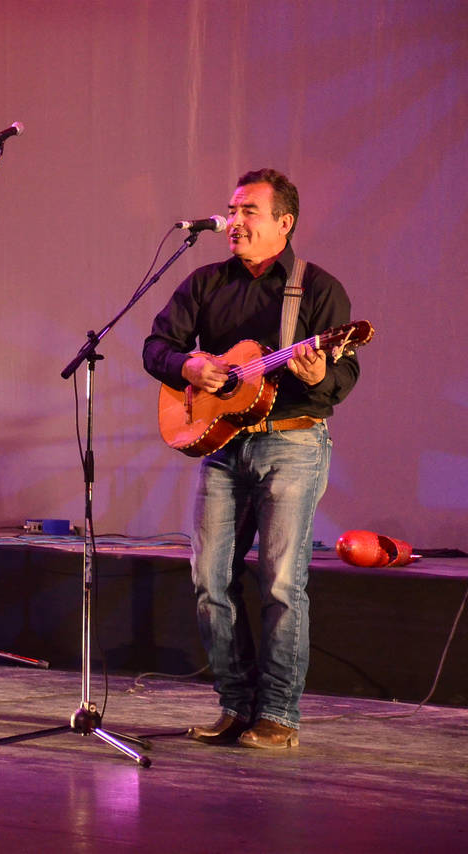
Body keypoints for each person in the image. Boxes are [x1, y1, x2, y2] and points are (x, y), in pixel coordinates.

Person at [143, 168, 360, 748]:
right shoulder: (205, 282)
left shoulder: (317, 289)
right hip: (221, 445)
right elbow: (156, 346)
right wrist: (188, 366)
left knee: (282, 583)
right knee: (210, 580)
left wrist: (317, 375)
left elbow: (343, 378)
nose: (234, 222)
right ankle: (236, 706)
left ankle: (279, 716)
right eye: (232, 210)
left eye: (249, 212)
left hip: (292, 442)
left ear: (284, 223)